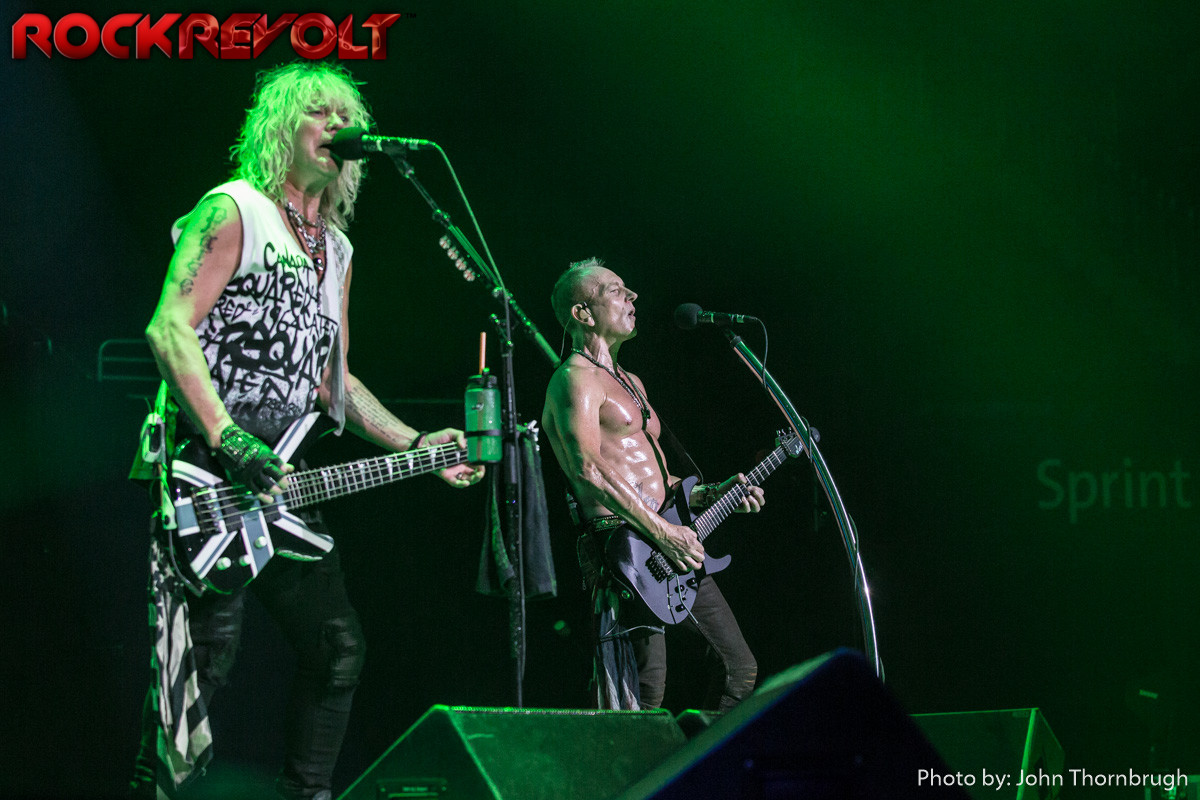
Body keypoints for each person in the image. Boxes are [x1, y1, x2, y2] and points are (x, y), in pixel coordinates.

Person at [128, 62, 485, 800]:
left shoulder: (337, 250)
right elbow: (169, 328)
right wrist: (230, 439)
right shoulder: (234, 209)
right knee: (200, 671)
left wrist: (415, 444)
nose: (337, 126)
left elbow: (334, 381)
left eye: (345, 115)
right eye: (319, 112)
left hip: (282, 480)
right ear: (279, 129)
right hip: (207, 469)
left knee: (338, 649)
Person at [541, 258, 761, 712]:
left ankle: (698, 755)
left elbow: (655, 478)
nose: (632, 296)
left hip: (668, 541)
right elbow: (587, 469)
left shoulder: (633, 382)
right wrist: (663, 532)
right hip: (624, 551)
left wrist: (712, 493)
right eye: (615, 290)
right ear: (583, 313)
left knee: (738, 669)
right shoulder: (574, 379)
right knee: (643, 694)